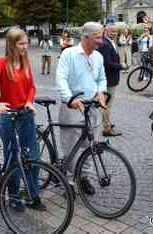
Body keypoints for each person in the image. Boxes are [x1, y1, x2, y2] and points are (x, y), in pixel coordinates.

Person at [0, 28, 45, 211]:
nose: (25, 47)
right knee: (13, 160)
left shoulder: (25, 61)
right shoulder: (1, 63)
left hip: (26, 114)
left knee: (33, 157)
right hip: (8, 115)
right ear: (11, 45)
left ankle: (33, 195)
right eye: (21, 44)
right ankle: (13, 198)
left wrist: (29, 101)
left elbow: (32, 87)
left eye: (26, 43)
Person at [56, 22, 107, 195]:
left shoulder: (98, 57)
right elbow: (61, 79)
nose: (101, 41)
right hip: (72, 106)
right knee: (71, 146)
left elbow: (101, 78)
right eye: (98, 37)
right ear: (86, 37)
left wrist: (101, 92)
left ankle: (83, 177)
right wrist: (70, 98)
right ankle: (69, 181)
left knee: (90, 145)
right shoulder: (68, 54)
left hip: (92, 106)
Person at [97, 23, 125, 137]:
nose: (115, 33)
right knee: (107, 105)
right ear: (106, 31)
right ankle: (107, 128)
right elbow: (107, 64)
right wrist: (121, 66)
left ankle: (107, 123)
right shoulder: (105, 44)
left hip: (110, 78)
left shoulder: (108, 42)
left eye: (116, 31)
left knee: (106, 104)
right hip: (109, 79)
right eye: (112, 31)